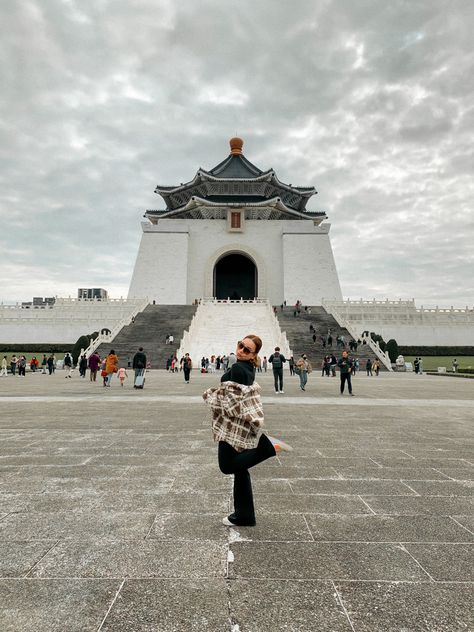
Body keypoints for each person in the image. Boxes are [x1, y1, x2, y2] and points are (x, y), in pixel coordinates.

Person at [203, 334, 292, 528]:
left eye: (246, 349)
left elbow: (231, 403)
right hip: (241, 425)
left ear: (253, 355)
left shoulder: (237, 368)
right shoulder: (250, 368)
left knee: (227, 466)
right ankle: (245, 515)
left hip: (231, 427)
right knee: (240, 469)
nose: (241, 350)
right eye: (240, 345)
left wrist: (211, 397)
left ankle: (267, 448)